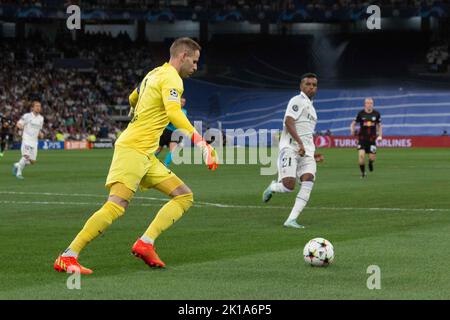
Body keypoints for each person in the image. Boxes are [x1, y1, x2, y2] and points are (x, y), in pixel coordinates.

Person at [54, 37, 218, 274]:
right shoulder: (172, 78)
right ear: (182, 56)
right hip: (133, 149)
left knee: (184, 196)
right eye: (194, 61)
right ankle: (68, 256)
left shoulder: (153, 74)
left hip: (146, 154)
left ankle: (145, 243)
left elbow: (133, 96)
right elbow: (174, 112)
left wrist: (135, 113)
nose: (195, 66)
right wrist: (202, 144)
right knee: (116, 206)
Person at [262, 73, 319, 229]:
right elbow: (288, 122)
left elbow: (307, 134)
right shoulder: (297, 101)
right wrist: (300, 143)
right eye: (308, 84)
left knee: (308, 180)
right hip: (290, 148)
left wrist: (312, 151)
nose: (311, 87)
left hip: (306, 152)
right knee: (288, 186)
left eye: (314, 85)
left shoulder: (312, 110)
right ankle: (273, 187)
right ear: (301, 86)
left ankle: (291, 220)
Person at [350, 98, 382, 178]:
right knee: (361, 156)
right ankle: (363, 173)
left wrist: (380, 136)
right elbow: (353, 124)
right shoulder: (360, 114)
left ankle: (370, 163)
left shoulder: (376, 114)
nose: (369, 104)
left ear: (373, 104)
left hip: (372, 140)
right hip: (362, 139)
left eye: (371, 103)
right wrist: (352, 131)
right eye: (367, 103)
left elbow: (379, 126)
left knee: (372, 158)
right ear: (365, 104)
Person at [12, 101, 44, 179]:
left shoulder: (41, 118)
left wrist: (41, 134)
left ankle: (17, 165)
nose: (38, 107)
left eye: (39, 106)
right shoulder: (27, 116)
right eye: (36, 106)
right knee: (26, 156)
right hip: (26, 139)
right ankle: (18, 173)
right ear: (32, 108)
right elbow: (19, 124)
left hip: (34, 141)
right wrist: (20, 126)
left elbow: (39, 129)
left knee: (32, 161)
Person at [154, 97, 188, 167]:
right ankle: (148, 161)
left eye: (184, 102)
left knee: (173, 150)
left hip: (176, 133)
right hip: (167, 131)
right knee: (159, 148)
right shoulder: (173, 109)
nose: (182, 103)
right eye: (181, 101)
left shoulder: (184, 111)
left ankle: (165, 166)